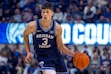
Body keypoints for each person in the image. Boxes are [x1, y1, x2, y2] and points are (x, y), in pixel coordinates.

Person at [23, 2, 75, 74]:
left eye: (47, 12)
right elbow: (25, 35)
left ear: (52, 13)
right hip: (43, 57)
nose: (45, 14)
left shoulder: (57, 27)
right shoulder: (32, 25)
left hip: (56, 56)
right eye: (43, 12)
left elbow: (61, 47)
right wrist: (28, 52)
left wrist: (74, 55)